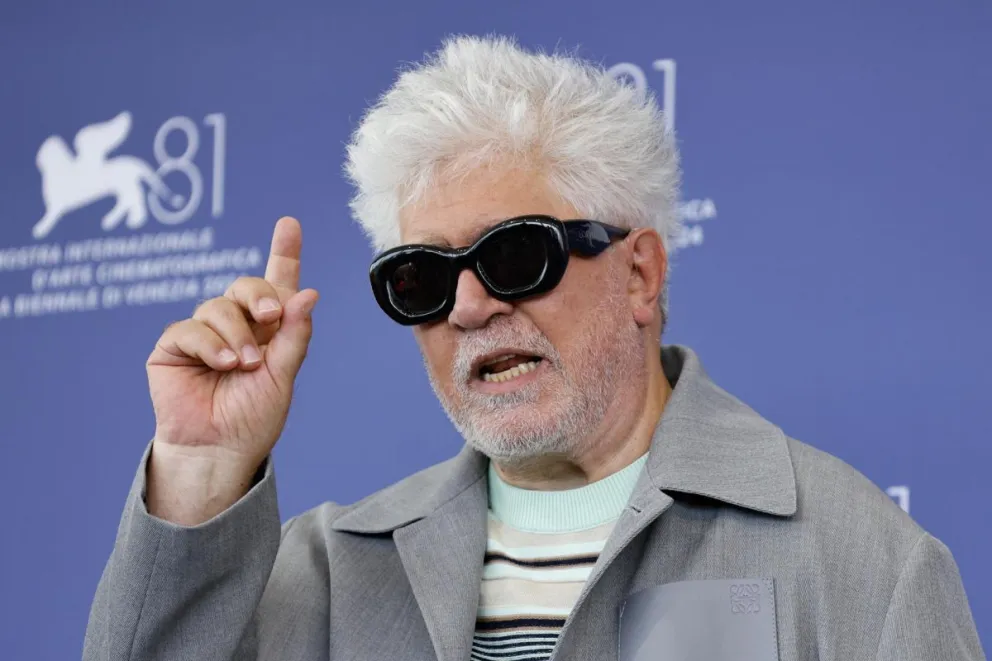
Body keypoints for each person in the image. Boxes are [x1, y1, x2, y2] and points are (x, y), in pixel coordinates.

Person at [83, 35, 985, 661]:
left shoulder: (861, 556)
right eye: (421, 279)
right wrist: (200, 472)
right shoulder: (323, 574)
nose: (469, 305)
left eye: (515, 255)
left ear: (639, 275)